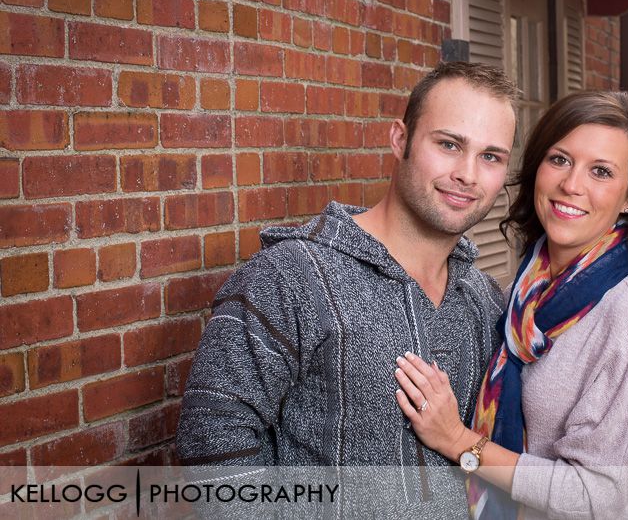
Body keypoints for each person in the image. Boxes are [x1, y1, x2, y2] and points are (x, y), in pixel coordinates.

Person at [176, 62, 518, 516]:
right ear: (400, 140)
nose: (468, 174)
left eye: (490, 156)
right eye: (449, 144)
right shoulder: (291, 274)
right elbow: (213, 439)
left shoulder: (485, 299)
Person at [394, 91, 628, 519]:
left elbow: (597, 498)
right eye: (560, 159)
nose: (572, 185)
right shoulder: (527, 291)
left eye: (602, 171)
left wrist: (457, 441)